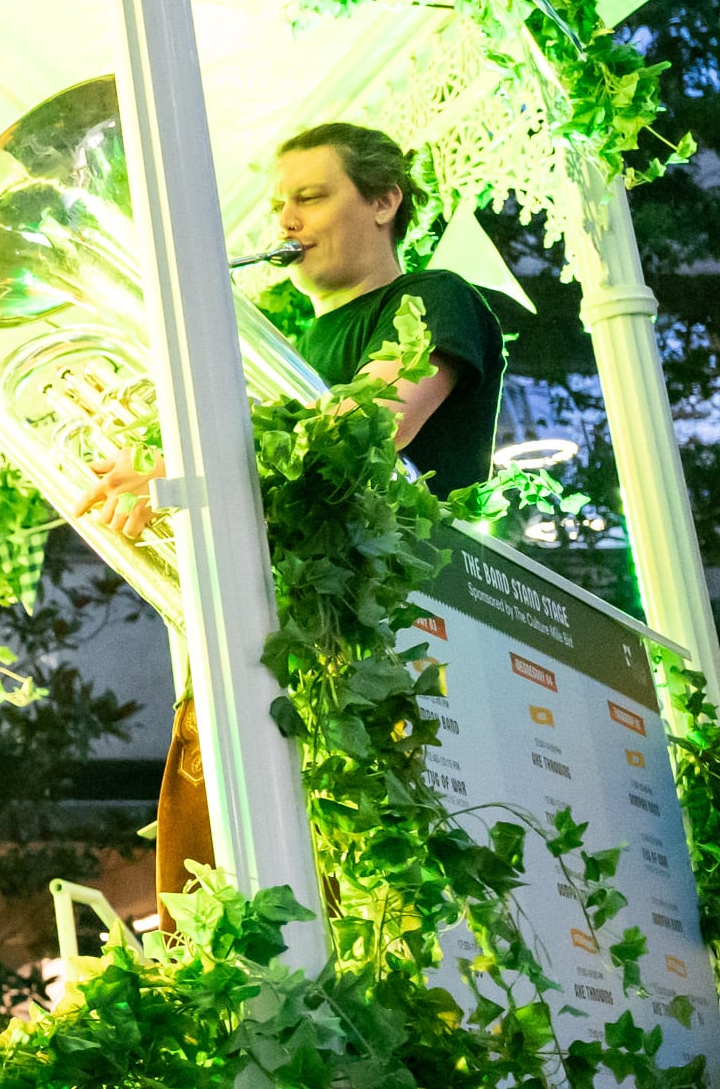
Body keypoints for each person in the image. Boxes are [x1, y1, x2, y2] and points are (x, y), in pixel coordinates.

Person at [83, 121, 507, 895]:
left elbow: (369, 427)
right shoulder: (283, 343)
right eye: (281, 203)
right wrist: (154, 466)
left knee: (349, 898)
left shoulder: (433, 298)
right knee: (206, 906)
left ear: (383, 201)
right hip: (259, 641)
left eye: (309, 197)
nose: (284, 220)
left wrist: (181, 462)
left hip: (367, 641)